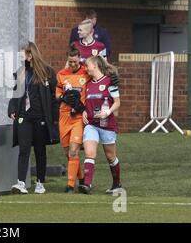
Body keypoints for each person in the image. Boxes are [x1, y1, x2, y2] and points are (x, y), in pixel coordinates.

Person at [8, 41, 59, 194]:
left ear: (30, 55)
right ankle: (21, 182)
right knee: (24, 149)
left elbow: (53, 98)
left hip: (40, 117)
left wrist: (54, 118)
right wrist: (11, 109)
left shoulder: (48, 72)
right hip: (24, 116)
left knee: (39, 150)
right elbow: (15, 95)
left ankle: (40, 182)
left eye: (22, 55)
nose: (20, 58)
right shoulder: (20, 73)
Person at [78, 55, 122, 195]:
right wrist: (84, 111)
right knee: (90, 153)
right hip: (91, 125)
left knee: (110, 157)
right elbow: (87, 103)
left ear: (95, 65)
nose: (86, 68)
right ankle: (87, 184)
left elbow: (117, 102)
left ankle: (116, 184)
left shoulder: (110, 82)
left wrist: (107, 112)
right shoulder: (88, 84)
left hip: (107, 125)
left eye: (88, 65)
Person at [56, 45, 90, 193]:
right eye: (70, 62)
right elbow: (57, 93)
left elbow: (100, 74)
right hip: (64, 116)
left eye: (75, 62)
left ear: (80, 60)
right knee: (67, 153)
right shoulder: (61, 74)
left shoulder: (86, 73)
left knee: (74, 151)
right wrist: (62, 97)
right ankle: (81, 178)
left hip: (77, 117)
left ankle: (70, 185)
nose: (73, 64)